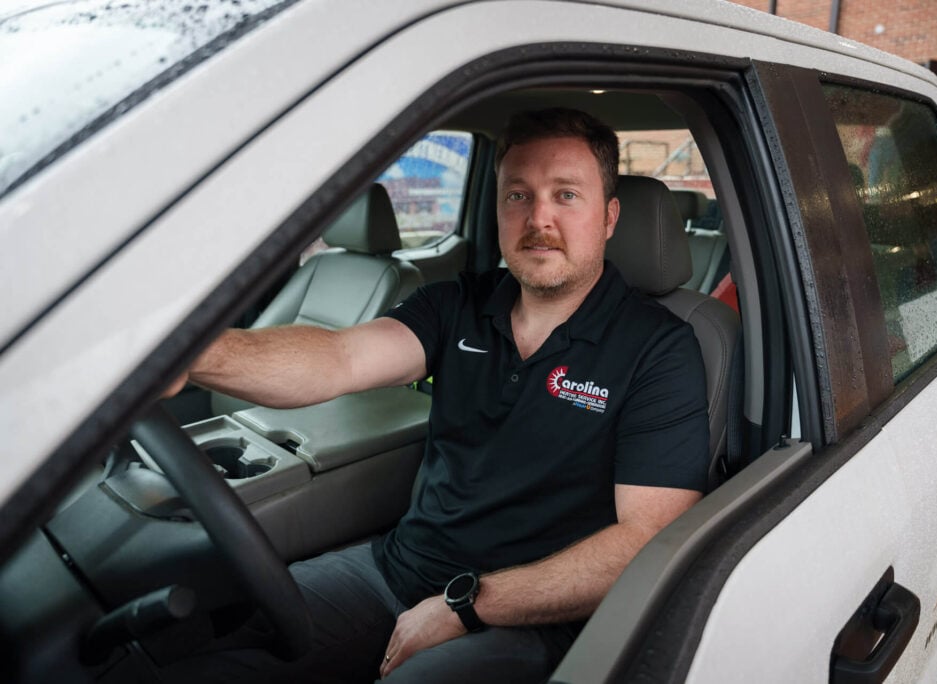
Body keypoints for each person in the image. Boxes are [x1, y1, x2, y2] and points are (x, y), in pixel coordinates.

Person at [167, 107, 709, 683]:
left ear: (609, 217)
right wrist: (193, 354)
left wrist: (469, 605)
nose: (538, 218)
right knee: (211, 655)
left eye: (567, 195)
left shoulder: (660, 350)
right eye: (517, 196)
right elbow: (338, 357)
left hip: (529, 623)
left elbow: (645, 540)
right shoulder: (457, 303)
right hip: (396, 571)